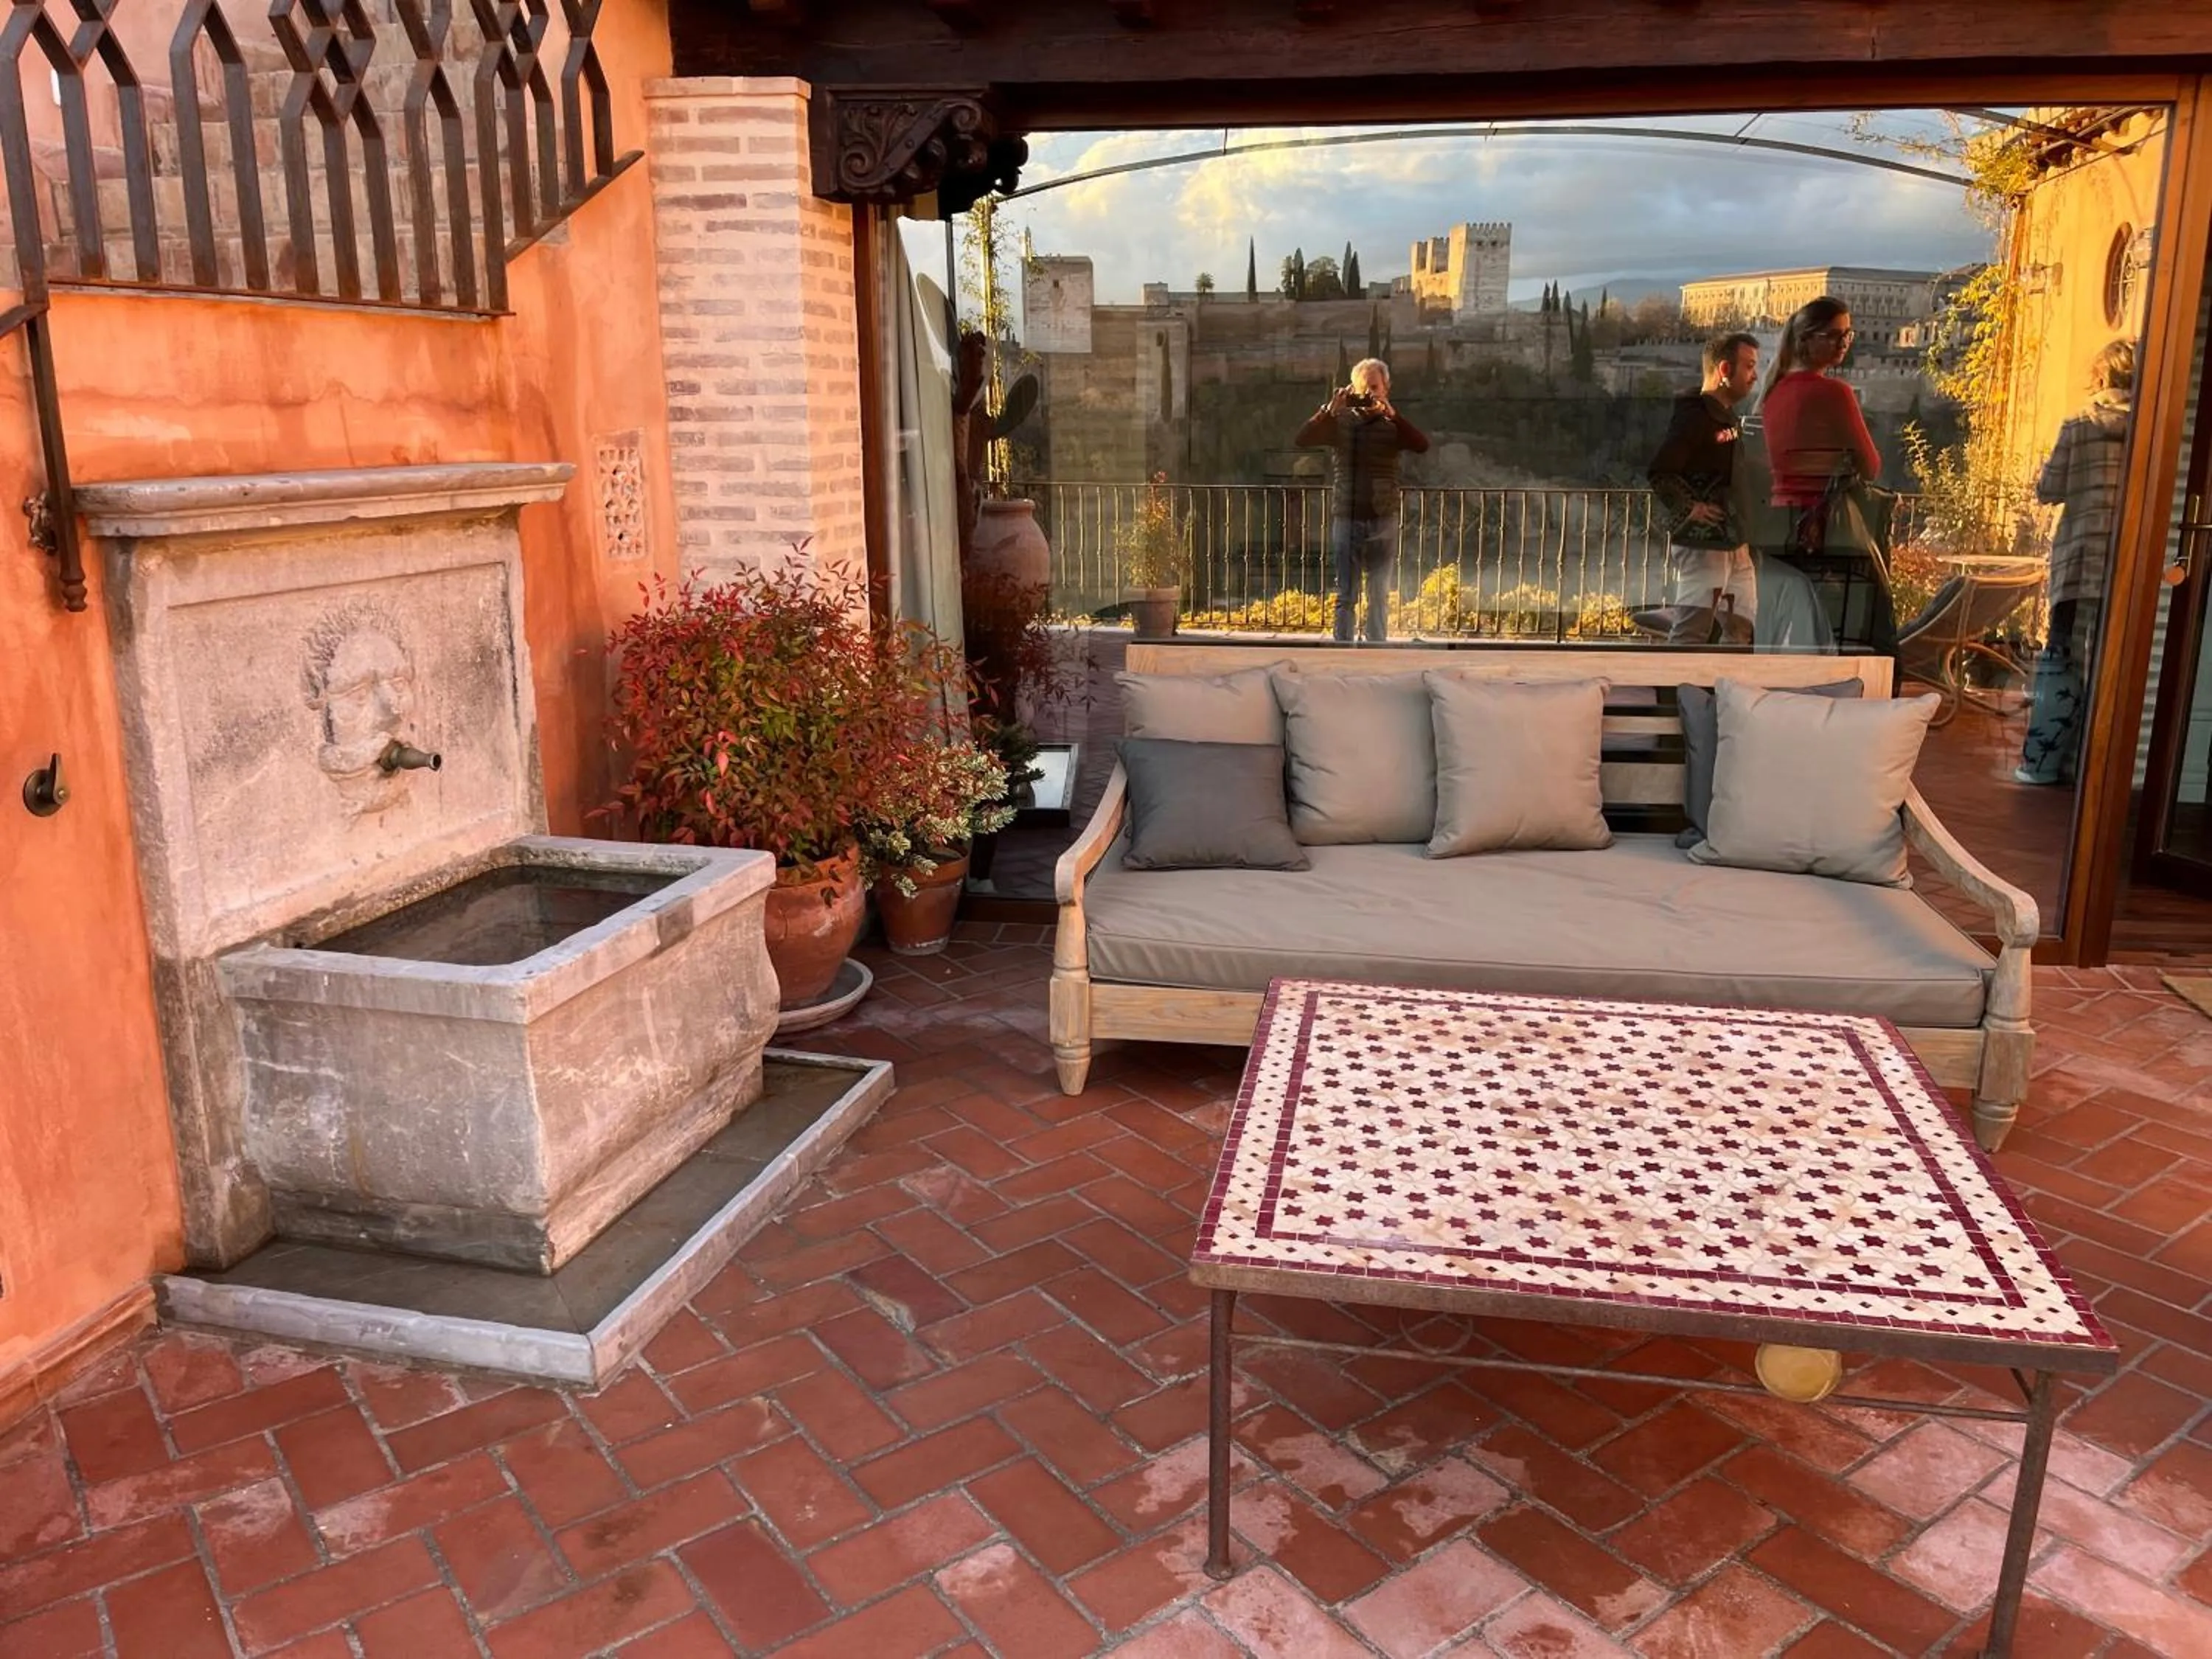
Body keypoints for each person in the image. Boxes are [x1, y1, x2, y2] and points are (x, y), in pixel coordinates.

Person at [2017, 338, 2135, 785]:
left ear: (2101, 375)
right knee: (2111, 656)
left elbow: (2050, 489)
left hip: (2079, 552)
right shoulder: (2148, 426)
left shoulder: (2080, 421)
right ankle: (2098, 765)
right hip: (2125, 555)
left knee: (2060, 654)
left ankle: (2042, 763)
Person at [1760, 296, 1896, 655]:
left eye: (1847, 336)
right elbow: (1871, 466)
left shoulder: (1772, 393)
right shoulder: (1835, 392)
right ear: (1806, 339)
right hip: (1825, 529)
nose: (1843, 344)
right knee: (1875, 606)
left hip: (1777, 525)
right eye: (1834, 336)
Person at [1295, 357, 1430, 642]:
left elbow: (1421, 444)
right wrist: (1328, 412)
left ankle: (1376, 651)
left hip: (1384, 517)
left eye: (1375, 387)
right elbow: (1302, 439)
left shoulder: (1392, 425)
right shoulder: (1340, 423)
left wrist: (1394, 416)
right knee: (1346, 594)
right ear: (1352, 389)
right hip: (1347, 515)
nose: (1370, 393)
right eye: (1364, 388)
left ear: (1386, 388)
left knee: (1379, 594)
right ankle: (1343, 652)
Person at [1644, 332, 1760, 642]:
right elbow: (1660, 470)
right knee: (1692, 630)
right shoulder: (1695, 416)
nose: (1755, 375)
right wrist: (1690, 508)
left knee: (1740, 628)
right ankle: (1679, 691)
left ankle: (1724, 688)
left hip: (1733, 541)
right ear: (1725, 370)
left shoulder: (1722, 416)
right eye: (1749, 366)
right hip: (1705, 545)